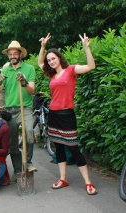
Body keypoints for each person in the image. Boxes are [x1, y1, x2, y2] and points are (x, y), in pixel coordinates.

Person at [38, 33, 97, 195]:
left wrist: (87, 47)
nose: (51, 61)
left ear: (59, 57)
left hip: (67, 115)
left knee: (74, 148)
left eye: (53, 58)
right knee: (59, 148)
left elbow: (91, 66)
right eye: (49, 60)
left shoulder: (71, 70)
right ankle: (63, 178)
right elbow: (39, 62)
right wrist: (43, 47)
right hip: (54, 115)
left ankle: (88, 182)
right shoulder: (52, 74)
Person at [0, 40, 37, 183]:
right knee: (12, 143)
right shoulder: (5, 70)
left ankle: (28, 163)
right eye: (10, 54)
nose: (12, 56)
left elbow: (32, 91)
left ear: (20, 54)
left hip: (25, 107)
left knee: (29, 132)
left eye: (15, 53)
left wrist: (24, 82)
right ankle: (18, 170)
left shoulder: (29, 68)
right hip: (9, 110)